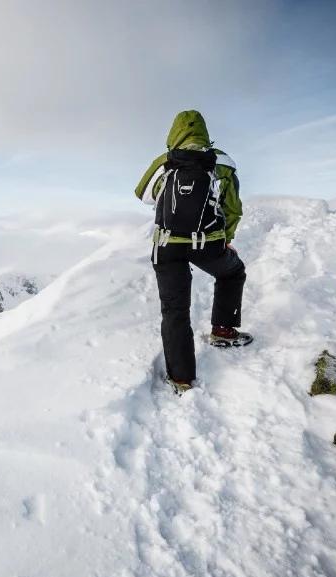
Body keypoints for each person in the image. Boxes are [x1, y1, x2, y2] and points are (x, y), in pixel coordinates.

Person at [134, 110, 251, 395]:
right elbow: (233, 209)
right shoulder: (222, 162)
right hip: (206, 243)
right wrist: (225, 239)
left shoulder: (165, 161)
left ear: (174, 133)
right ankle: (223, 330)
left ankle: (182, 379)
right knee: (233, 272)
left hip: (166, 246)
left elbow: (142, 194)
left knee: (175, 310)